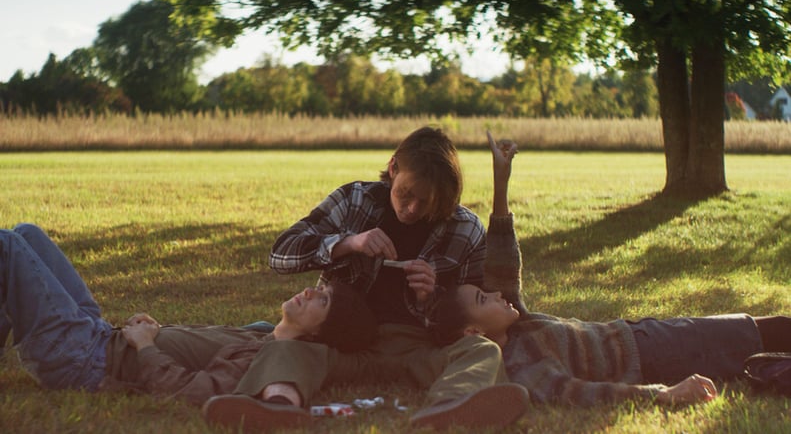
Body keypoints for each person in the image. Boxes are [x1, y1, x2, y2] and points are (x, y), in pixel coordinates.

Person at [206, 127, 530, 432]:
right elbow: (280, 255)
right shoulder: (354, 200)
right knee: (286, 347)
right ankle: (279, 407)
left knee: (481, 350)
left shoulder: (464, 228)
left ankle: (450, 408)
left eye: (426, 202)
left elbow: (475, 305)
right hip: (344, 340)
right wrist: (347, 244)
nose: (412, 208)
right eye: (405, 193)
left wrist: (432, 295)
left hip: (419, 346)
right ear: (392, 169)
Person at [428, 138, 791, 408]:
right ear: (474, 331)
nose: (495, 293)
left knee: (764, 329)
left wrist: (501, 181)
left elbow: (503, 262)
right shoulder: (520, 363)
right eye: (482, 298)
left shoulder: (518, 323)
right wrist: (664, 395)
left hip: (641, 333)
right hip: (654, 355)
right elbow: (578, 393)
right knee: (762, 333)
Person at [0, 222, 378, 419]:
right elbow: (193, 349)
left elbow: (191, 392)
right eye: (319, 289)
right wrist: (154, 330)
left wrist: (146, 346)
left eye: (322, 300)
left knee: (7, 245)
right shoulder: (261, 335)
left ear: (317, 334)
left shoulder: (262, 361)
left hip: (82, 359)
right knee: (27, 233)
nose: (310, 292)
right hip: (99, 335)